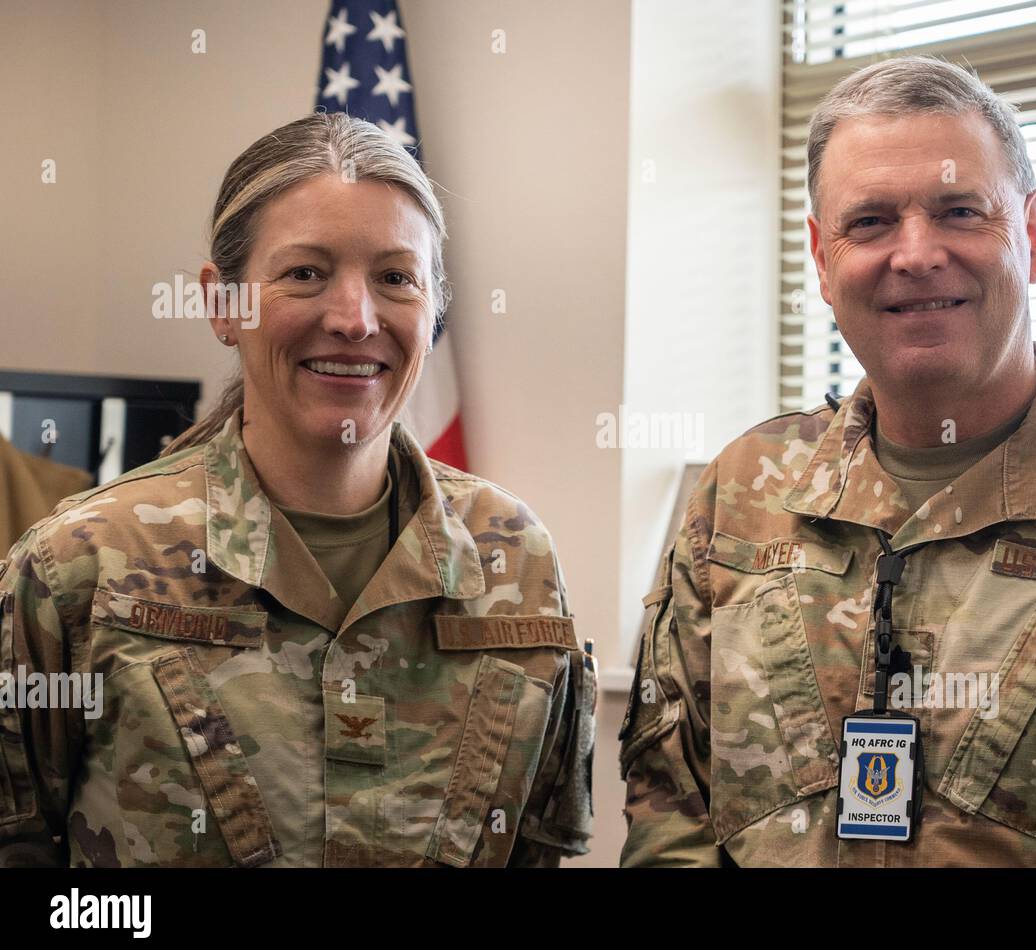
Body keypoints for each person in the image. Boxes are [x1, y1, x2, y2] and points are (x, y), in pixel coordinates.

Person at [618, 56, 1036, 867]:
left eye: (959, 211)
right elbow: (671, 821)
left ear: (1034, 235)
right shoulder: (739, 495)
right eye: (869, 222)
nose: (916, 253)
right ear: (823, 260)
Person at [0, 112, 594, 867]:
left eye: (395, 278)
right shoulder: (79, 567)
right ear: (223, 304)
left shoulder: (516, 559)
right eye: (305, 273)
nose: (354, 318)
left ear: (434, 304)